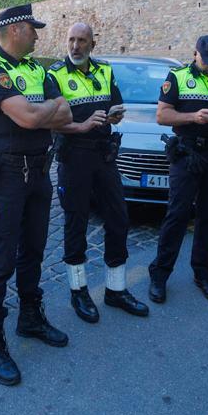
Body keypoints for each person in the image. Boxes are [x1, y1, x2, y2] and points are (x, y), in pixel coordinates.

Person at [0, 4, 72, 387]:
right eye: (33, 29)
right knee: (0, 259)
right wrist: (43, 111)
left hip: (39, 173)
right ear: (15, 29)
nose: (37, 35)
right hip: (9, 176)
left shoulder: (39, 71)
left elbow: (64, 115)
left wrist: (40, 111)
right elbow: (34, 119)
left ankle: (30, 318)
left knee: (34, 250)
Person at [47, 22, 148, 323]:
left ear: (92, 44)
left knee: (119, 218)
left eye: (81, 41)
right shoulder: (55, 74)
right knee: (75, 223)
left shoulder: (105, 70)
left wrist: (115, 114)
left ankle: (116, 290)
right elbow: (50, 122)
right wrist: (84, 124)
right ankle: (79, 291)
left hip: (104, 156)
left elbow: (116, 108)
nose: (75, 46)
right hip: (73, 156)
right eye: (71, 40)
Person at [148, 35, 208, 304]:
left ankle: (203, 274)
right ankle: (159, 274)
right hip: (187, 153)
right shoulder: (178, 77)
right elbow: (162, 115)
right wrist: (193, 117)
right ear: (195, 54)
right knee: (178, 214)